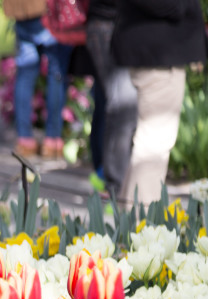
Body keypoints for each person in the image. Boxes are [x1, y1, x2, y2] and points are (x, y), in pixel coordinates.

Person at [112, 0, 208, 207]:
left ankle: (128, 223)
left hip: (155, 53)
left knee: (149, 143)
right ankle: (141, 227)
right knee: (154, 145)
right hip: (158, 57)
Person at [3, 0, 73, 160]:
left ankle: (25, 140)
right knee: (56, 70)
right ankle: (53, 140)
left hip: (20, 9)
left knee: (26, 73)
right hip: (47, 9)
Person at [83, 0, 137, 192]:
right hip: (108, 26)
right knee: (122, 105)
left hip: (106, 24)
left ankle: (104, 173)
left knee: (109, 100)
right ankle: (113, 183)